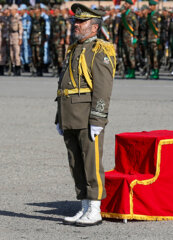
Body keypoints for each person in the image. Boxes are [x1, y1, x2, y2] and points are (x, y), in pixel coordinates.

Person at [55, 3, 115, 227]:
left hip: (87, 115)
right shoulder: (74, 49)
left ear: (95, 27)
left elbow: (103, 88)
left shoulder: (100, 51)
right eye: (75, 21)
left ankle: (95, 208)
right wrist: (59, 116)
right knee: (76, 163)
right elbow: (64, 85)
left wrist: (98, 118)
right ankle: (84, 207)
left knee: (91, 163)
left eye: (81, 22)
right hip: (70, 113)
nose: (76, 25)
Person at [119, 0, 138, 79]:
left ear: (130, 5)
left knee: (131, 55)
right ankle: (128, 70)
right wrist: (119, 38)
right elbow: (121, 28)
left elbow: (136, 25)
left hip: (130, 38)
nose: (125, 5)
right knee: (125, 55)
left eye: (126, 3)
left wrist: (135, 37)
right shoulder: (123, 15)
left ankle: (132, 72)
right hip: (124, 38)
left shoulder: (132, 14)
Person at [147, 0, 162, 79]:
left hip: (155, 39)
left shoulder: (157, 15)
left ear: (154, 6)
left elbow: (159, 27)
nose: (150, 7)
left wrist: (158, 37)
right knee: (150, 56)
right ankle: (152, 70)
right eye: (149, 5)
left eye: (151, 5)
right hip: (149, 38)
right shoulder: (149, 15)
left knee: (155, 56)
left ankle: (156, 72)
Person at [8, 4, 23, 76]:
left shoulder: (18, 18)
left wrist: (20, 38)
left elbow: (20, 29)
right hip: (11, 36)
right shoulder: (10, 17)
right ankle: (14, 67)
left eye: (11, 10)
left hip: (16, 36)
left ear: (15, 10)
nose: (10, 11)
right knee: (12, 54)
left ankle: (18, 69)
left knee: (17, 54)